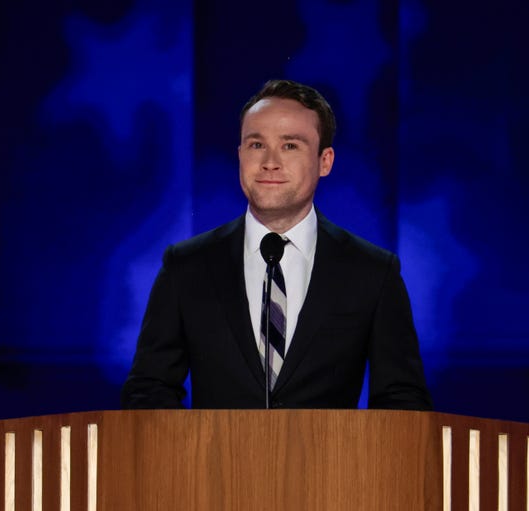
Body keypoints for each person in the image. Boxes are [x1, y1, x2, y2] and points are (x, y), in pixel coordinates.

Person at [121, 79, 431, 410]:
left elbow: (402, 402)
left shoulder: (372, 272)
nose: (270, 162)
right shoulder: (186, 266)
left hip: (333, 462)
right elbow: (149, 391)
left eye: (290, 146)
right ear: (240, 155)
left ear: (325, 161)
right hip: (213, 462)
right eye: (256, 145)